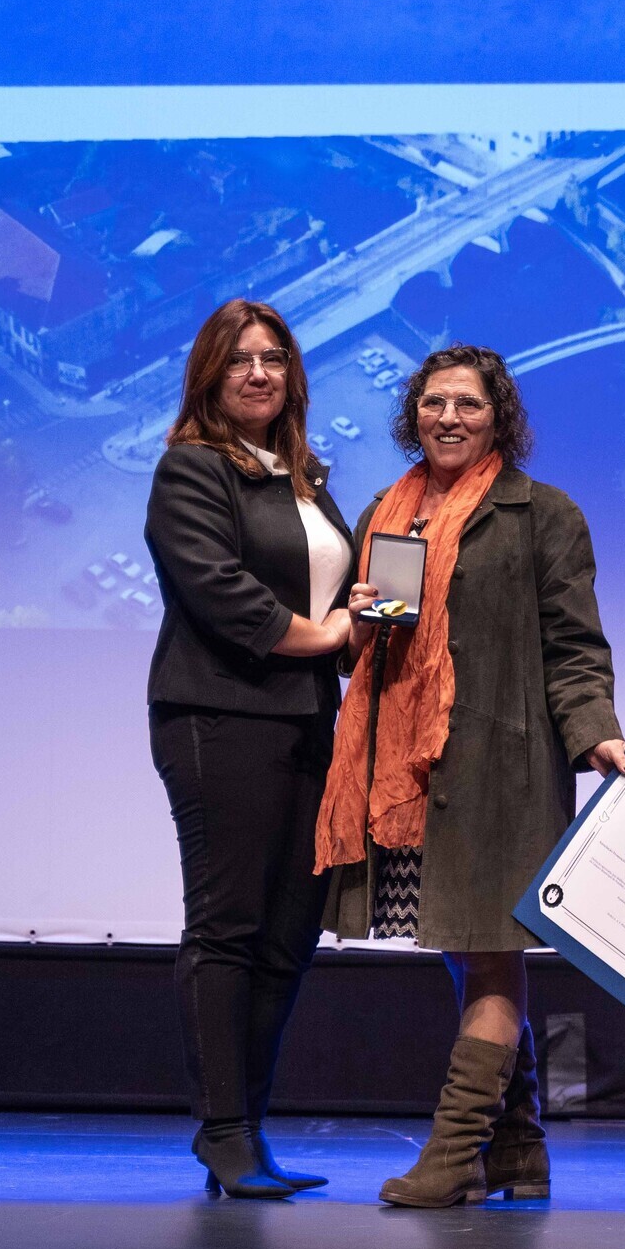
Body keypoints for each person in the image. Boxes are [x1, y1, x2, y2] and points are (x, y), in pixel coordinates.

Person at [315, 343, 625, 1208]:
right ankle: (518, 1151)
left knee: (489, 956)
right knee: (464, 946)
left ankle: (452, 1158)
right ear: (413, 414)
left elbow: (574, 647)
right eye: (434, 403)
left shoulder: (544, 514)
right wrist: (359, 624)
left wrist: (595, 733)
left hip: (501, 776)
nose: (448, 418)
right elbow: (363, 654)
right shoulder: (387, 512)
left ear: (499, 420)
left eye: (468, 405)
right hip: (411, 774)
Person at [144, 300, 356, 1200]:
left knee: (288, 936)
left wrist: (368, 620)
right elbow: (221, 591)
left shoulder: (302, 476)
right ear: (209, 375)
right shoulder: (191, 468)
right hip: (217, 715)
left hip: (306, 720)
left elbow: (344, 591)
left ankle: (249, 1131)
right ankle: (222, 1131)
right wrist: (327, 635)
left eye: (274, 357)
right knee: (227, 929)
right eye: (240, 359)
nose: (260, 373)